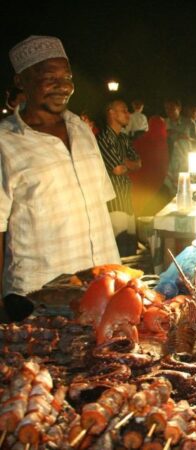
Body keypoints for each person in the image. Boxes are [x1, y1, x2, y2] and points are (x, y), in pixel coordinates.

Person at [0, 35, 120, 296]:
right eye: (50, 77)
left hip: (103, 287)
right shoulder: (5, 142)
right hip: (41, 296)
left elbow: (99, 206)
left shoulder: (80, 128)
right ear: (21, 81)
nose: (62, 86)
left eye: (66, 78)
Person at [97, 100, 142, 256]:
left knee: (130, 249)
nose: (128, 114)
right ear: (111, 112)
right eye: (124, 110)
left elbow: (138, 163)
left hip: (126, 200)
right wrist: (126, 163)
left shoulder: (123, 138)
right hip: (113, 202)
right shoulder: (103, 137)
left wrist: (123, 162)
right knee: (119, 250)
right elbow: (117, 169)